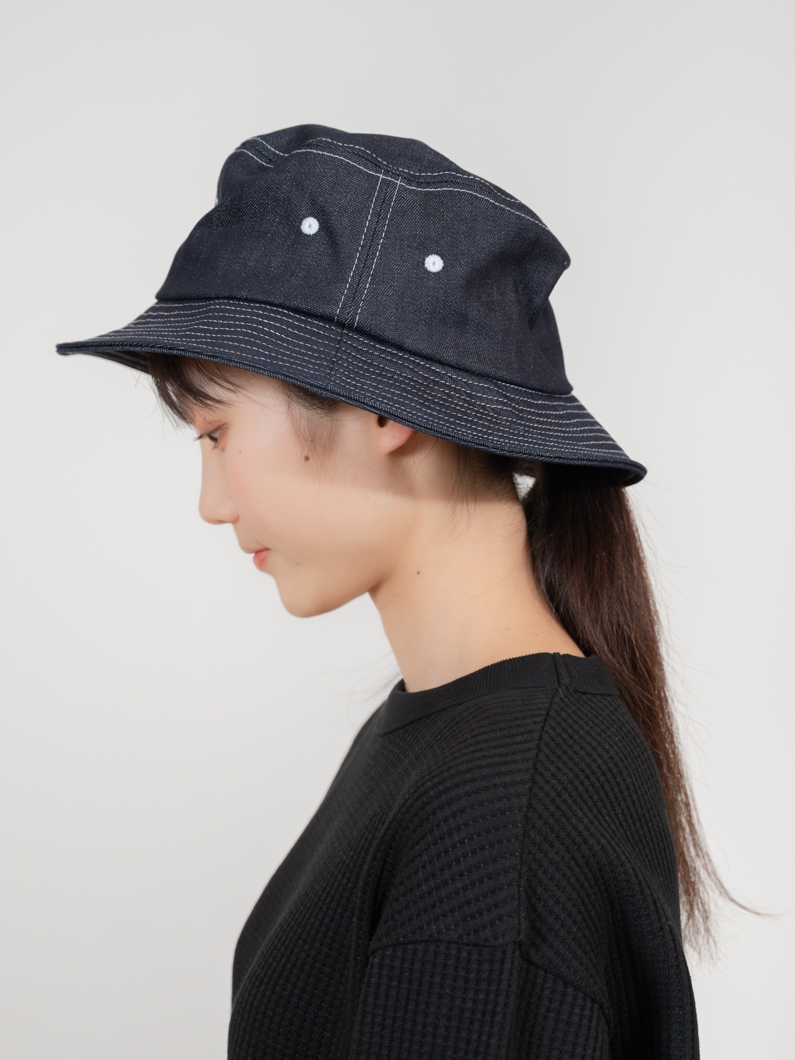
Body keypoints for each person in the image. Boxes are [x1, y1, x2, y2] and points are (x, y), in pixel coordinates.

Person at [57, 124, 717, 1058]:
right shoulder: (452, 732)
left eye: (216, 433)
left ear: (380, 407)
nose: (213, 504)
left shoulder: (499, 816)